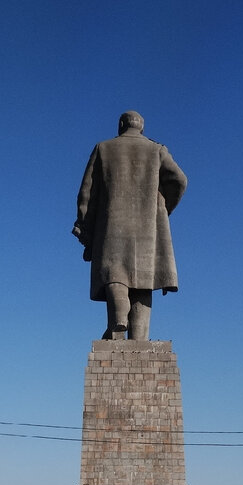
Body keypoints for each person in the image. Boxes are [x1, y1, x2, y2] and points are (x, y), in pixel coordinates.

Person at [73, 111, 187, 341]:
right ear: (141, 128)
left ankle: (118, 315)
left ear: (121, 125)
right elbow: (179, 180)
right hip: (149, 229)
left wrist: (85, 228)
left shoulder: (103, 149)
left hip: (111, 226)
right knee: (144, 282)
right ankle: (140, 339)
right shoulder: (157, 150)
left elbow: (87, 194)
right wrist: (162, 207)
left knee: (116, 273)